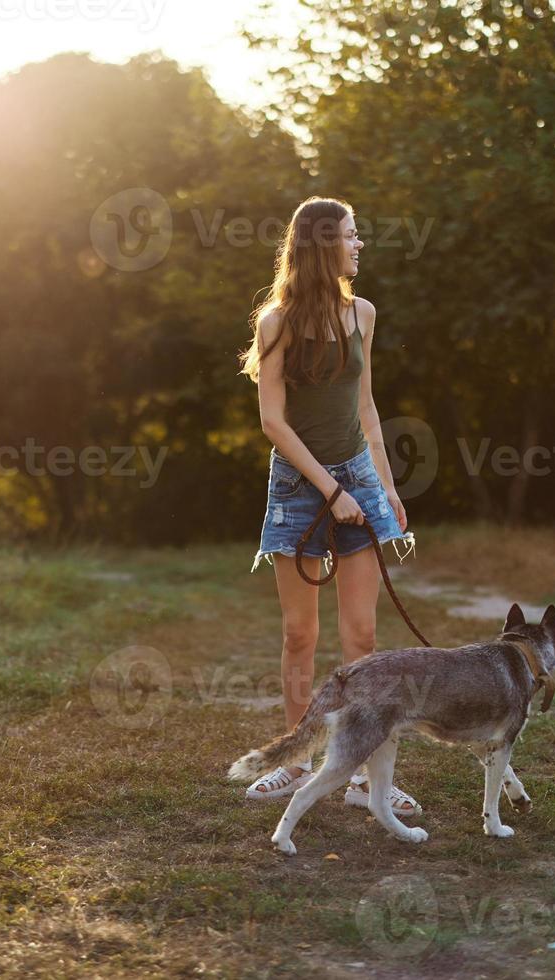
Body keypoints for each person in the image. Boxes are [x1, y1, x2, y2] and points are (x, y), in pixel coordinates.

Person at [236, 196, 419, 816]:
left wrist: (384, 489)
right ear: (322, 245)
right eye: (350, 234)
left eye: (359, 233)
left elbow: (365, 408)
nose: (360, 244)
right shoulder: (276, 323)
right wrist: (330, 492)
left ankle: (369, 776)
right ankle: (296, 763)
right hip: (296, 484)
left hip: (358, 477)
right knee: (299, 635)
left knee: (363, 636)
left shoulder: (362, 314)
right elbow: (272, 422)